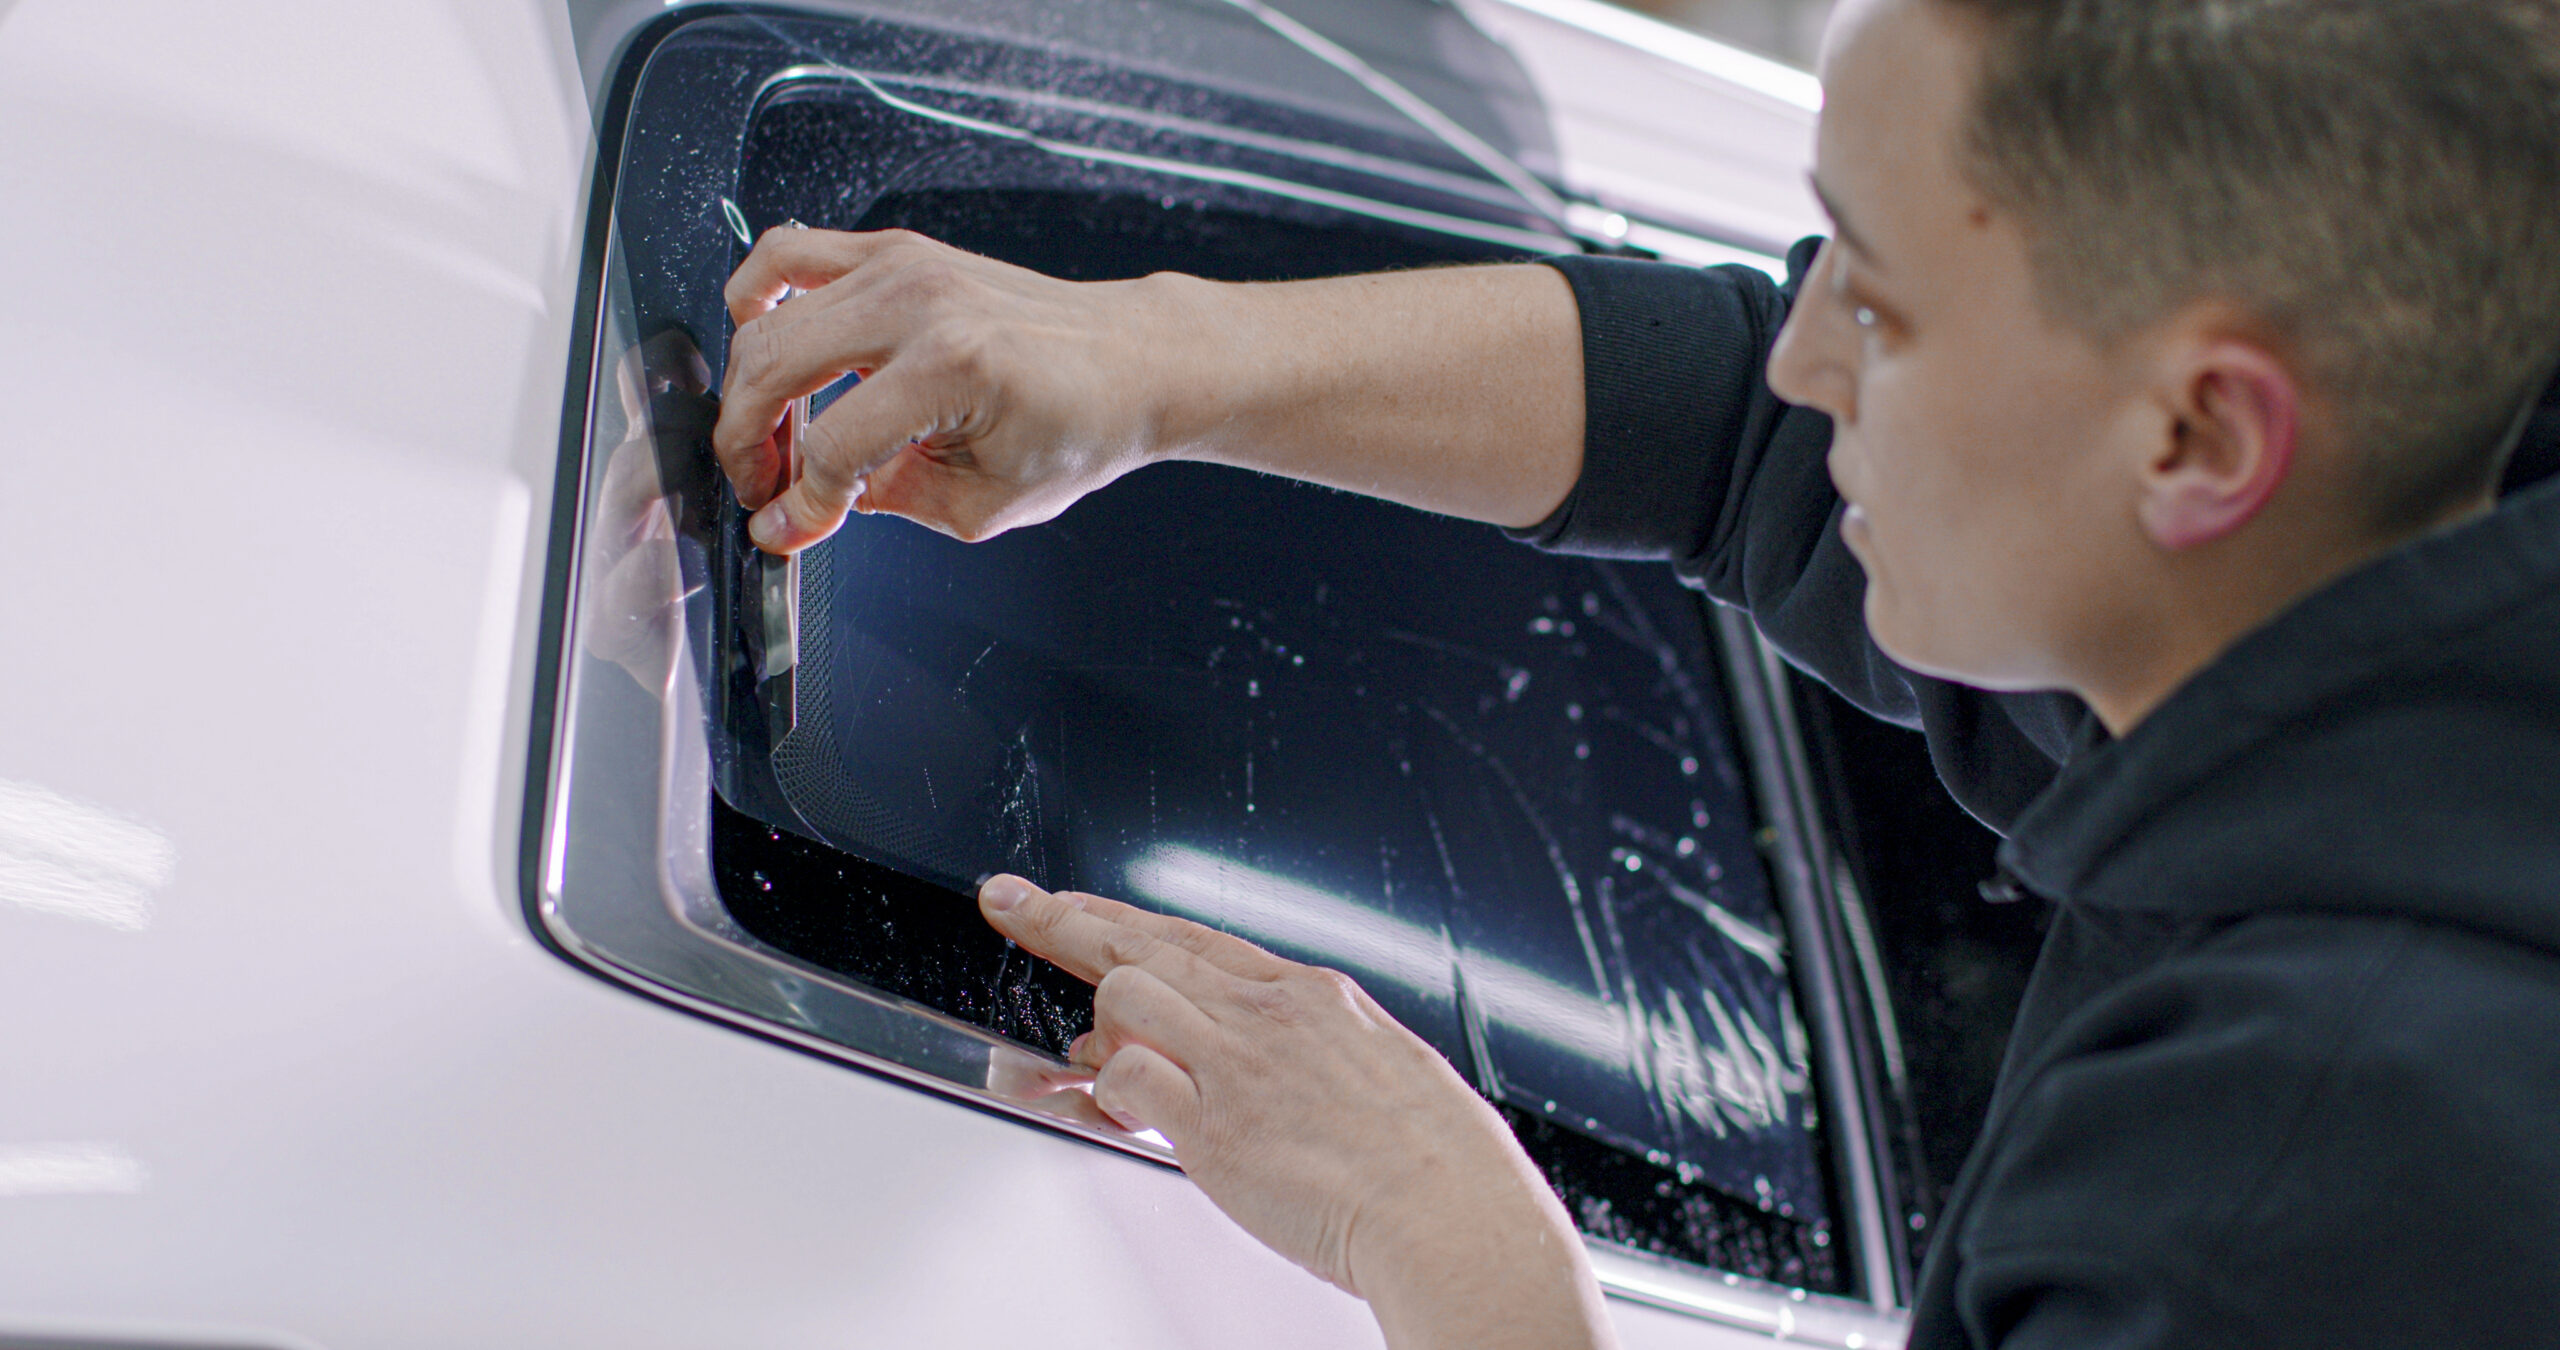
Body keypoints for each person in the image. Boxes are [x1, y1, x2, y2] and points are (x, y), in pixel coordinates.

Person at [706, 0, 2560, 1345]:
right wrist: (1156, 361)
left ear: (2200, 442)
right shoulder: (2401, 521)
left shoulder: (2293, 1195)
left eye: (1883, 303)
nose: (1806, 347)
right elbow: (1745, 430)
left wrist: (1455, 1236)